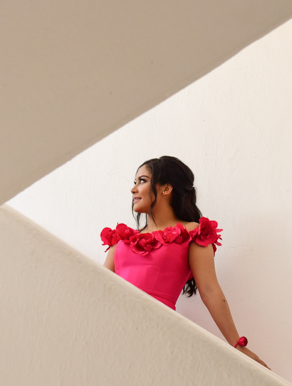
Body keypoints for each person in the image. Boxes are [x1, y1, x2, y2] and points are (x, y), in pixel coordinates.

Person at [101, 156, 268, 368]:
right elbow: (99, 289)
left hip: (156, 332)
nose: (133, 189)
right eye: (134, 182)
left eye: (142, 181)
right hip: (112, 331)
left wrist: (237, 344)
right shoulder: (122, 240)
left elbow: (210, 291)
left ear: (165, 189)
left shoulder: (193, 234)